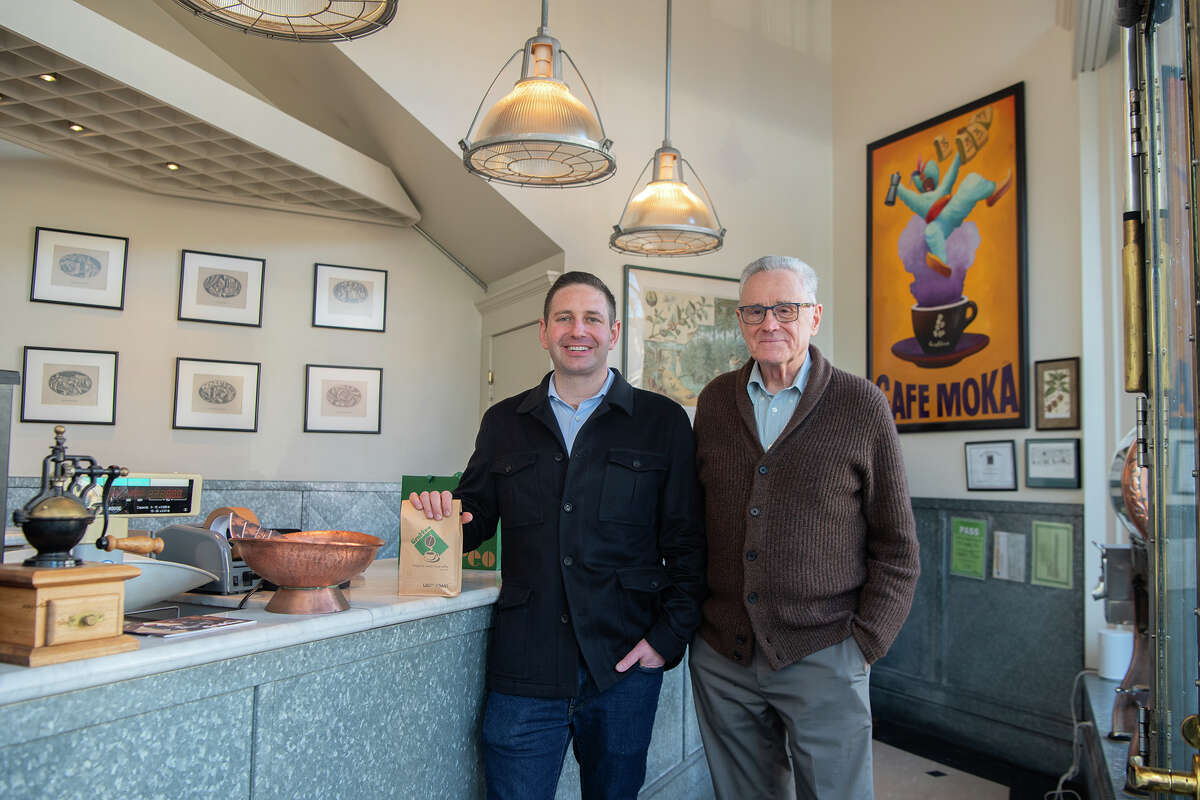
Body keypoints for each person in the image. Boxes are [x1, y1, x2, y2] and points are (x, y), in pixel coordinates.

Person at [410, 271, 706, 800]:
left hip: (624, 663)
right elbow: (475, 517)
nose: (578, 330)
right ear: (543, 332)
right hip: (526, 663)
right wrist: (442, 514)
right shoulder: (503, 421)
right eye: (564, 318)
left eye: (592, 318)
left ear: (613, 332)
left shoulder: (662, 422)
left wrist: (667, 640)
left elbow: (687, 542)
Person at [689, 255, 920, 800]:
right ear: (741, 321)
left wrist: (865, 644)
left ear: (814, 317)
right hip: (726, 656)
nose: (770, 323)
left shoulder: (861, 404)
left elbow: (898, 546)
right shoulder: (716, 401)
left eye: (786, 309)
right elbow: (692, 520)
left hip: (826, 650)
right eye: (755, 310)